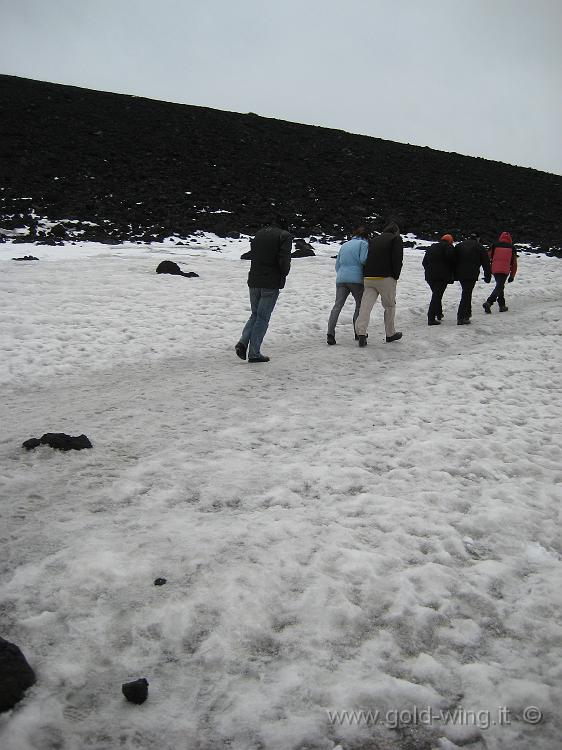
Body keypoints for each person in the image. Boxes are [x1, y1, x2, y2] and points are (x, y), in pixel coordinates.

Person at [235, 217, 292, 363]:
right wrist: (284, 274)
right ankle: (254, 353)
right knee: (262, 318)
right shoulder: (284, 236)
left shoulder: (259, 234)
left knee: (255, 314)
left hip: (253, 280)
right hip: (270, 282)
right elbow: (284, 261)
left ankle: (242, 343)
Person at [355, 221, 403, 346]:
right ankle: (390, 334)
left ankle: (361, 333)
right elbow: (397, 259)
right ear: (396, 231)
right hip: (386, 277)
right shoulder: (396, 239)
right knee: (389, 306)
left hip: (369, 277)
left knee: (366, 306)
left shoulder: (373, 240)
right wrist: (395, 276)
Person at [326, 226, 369, 345]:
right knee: (359, 306)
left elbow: (337, 265)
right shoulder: (363, 244)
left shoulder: (344, 245)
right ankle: (358, 332)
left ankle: (330, 334)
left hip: (341, 278)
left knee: (337, 306)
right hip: (356, 279)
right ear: (366, 236)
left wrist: (343, 274)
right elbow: (363, 260)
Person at [453, 232, 491, 324]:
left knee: (466, 292)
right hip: (472, 273)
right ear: (477, 238)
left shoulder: (459, 245)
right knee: (466, 293)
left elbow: (453, 259)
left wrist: (453, 273)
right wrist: (487, 276)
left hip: (460, 273)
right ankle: (461, 317)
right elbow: (486, 263)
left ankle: (467, 314)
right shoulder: (479, 247)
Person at [422, 234, 455, 325]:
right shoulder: (449, 247)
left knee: (436, 294)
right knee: (437, 296)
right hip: (442, 276)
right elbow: (452, 260)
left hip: (429, 276)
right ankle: (431, 318)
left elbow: (424, 262)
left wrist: (429, 270)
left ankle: (439, 313)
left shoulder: (432, 247)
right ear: (450, 241)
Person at [483, 231, 517, 313]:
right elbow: (514, 263)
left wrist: (489, 268)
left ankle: (502, 305)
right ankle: (489, 302)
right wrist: (512, 275)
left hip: (494, 269)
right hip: (504, 270)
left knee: (500, 286)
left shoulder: (494, 245)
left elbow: (487, 256)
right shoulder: (512, 248)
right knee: (499, 286)